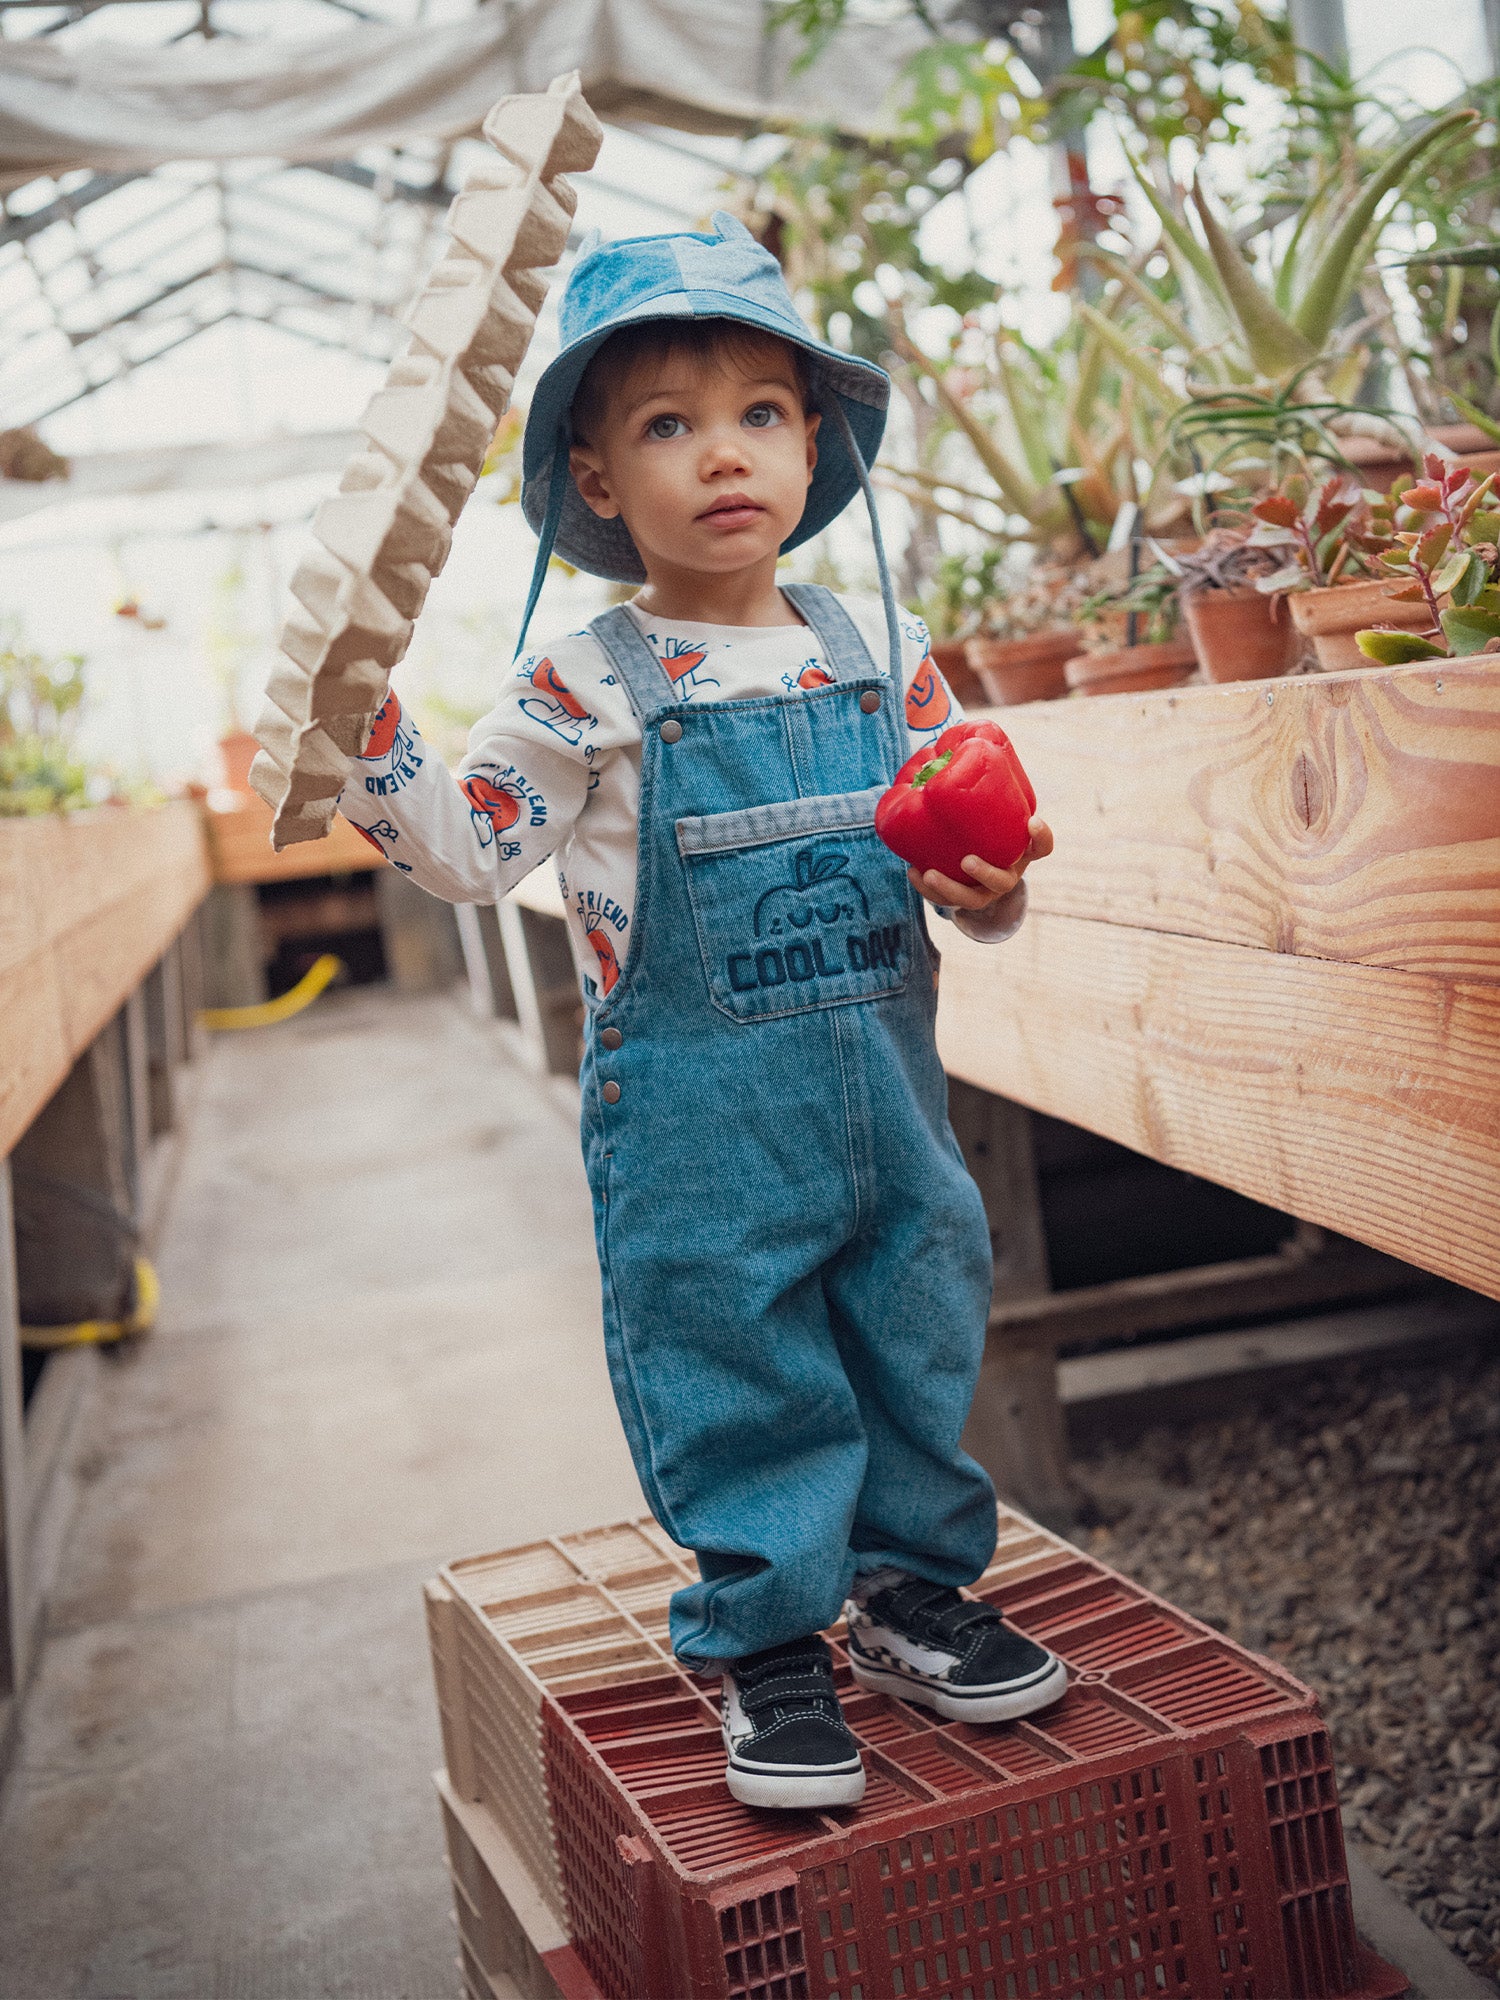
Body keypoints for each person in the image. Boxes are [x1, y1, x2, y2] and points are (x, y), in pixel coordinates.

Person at [341, 213, 1067, 1810]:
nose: (720, 454)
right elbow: (468, 850)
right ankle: (765, 1638)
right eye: (665, 424)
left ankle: (906, 1591)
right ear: (598, 482)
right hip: (696, 1128)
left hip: (891, 1103)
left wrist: (993, 882)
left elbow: (979, 861)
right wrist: (366, 734)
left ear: (815, 441)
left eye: (759, 412)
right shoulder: (583, 681)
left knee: (917, 1327)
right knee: (733, 1361)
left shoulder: (887, 657)